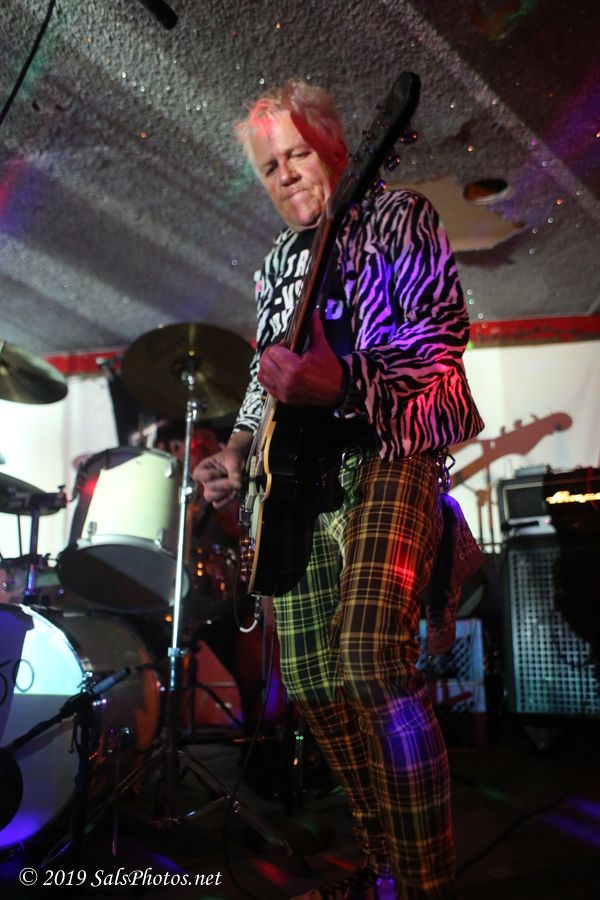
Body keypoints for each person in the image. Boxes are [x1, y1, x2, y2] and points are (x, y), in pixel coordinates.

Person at [193, 80, 484, 900]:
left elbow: (438, 343)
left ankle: (424, 884)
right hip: (296, 483)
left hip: (390, 451)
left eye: (298, 155)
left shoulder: (399, 217)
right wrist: (238, 451)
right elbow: (268, 379)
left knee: (368, 655)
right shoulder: (276, 265)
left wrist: (347, 382)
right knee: (316, 685)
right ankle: (383, 864)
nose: (286, 174)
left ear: (337, 150)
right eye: (270, 167)